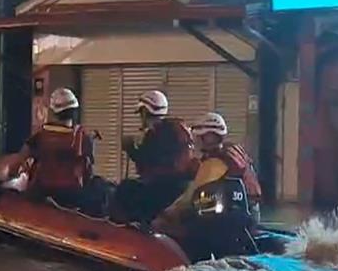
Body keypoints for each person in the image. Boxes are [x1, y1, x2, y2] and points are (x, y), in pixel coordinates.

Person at [152, 112, 262, 240]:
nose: (195, 141)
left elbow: (189, 198)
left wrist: (165, 215)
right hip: (249, 215)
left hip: (226, 222)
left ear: (208, 137)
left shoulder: (214, 163)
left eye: (198, 137)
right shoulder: (232, 154)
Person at [111, 90, 196, 223]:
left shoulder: (158, 133)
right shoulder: (177, 128)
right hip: (179, 186)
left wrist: (130, 148)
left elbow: (146, 164)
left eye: (141, 113)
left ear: (145, 112)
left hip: (162, 187)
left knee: (125, 190)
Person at [19, 87, 98, 212]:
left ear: (54, 111)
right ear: (75, 111)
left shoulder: (40, 135)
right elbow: (89, 171)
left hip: (42, 194)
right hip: (73, 197)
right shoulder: (83, 137)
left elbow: (22, 157)